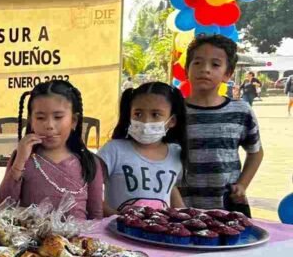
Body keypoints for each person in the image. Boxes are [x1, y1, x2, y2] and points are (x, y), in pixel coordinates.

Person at [179, 34, 263, 216]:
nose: (205, 70)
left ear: (227, 74)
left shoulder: (241, 111)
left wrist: (242, 184)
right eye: (197, 63)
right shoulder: (174, 112)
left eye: (215, 64)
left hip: (228, 206)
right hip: (181, 207)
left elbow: (255, 152)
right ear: (187, 69)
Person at [0, 80, 103, 220]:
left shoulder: (89, 162)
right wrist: (20, 161)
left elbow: (96, 216)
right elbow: (4, 204)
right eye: (40, 117)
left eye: (58, 117)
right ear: (31, 121)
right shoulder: (23, 158)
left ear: (74, 121)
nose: (49, 125)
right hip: (32, 240)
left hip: (77, 240)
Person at [98, 82, 188, 216]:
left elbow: (169, 187)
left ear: (172, 120)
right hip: (117, 233)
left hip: (158, 234)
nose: (145, 121)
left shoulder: (175, 153)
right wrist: (116, 218)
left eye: (155, 114)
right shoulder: (113, 150)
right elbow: (90, 189)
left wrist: (184, 215)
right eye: (138, 114)